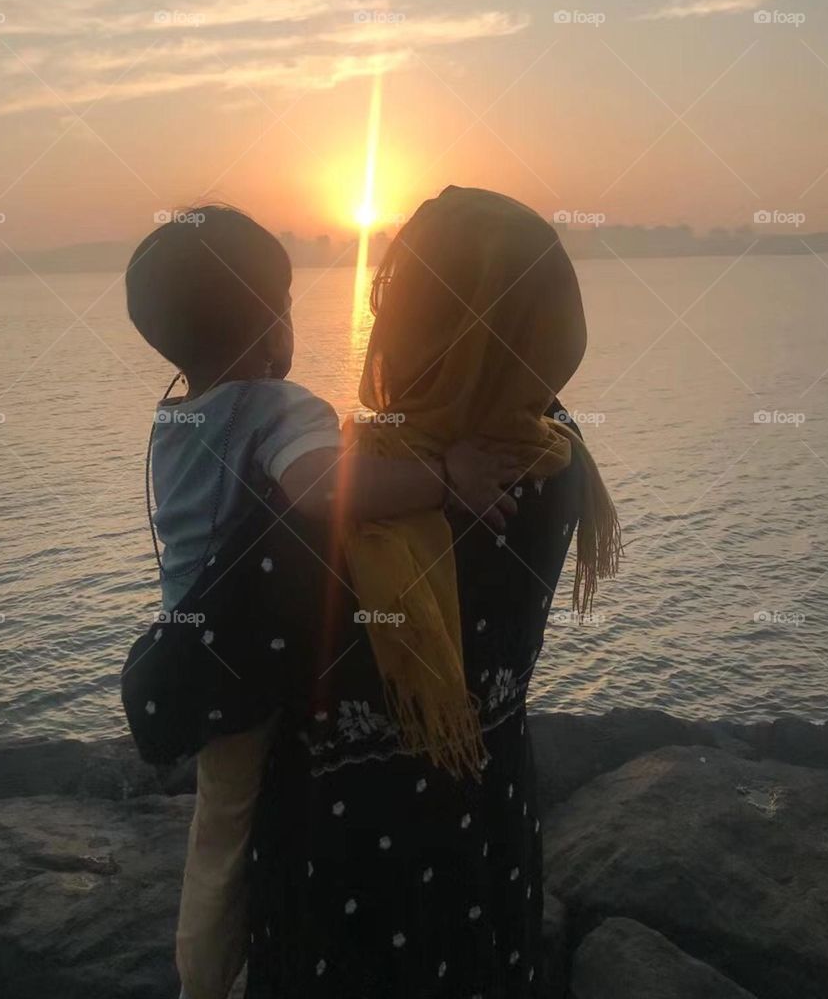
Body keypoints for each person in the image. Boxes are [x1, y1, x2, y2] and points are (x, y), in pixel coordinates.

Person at [177, 186, 621, 998]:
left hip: (342, 894)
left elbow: (177, 696)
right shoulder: (560, 459)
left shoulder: (332, 517)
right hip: (489, 859)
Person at [124, 204, 523, 999]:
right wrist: (445, 483)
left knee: (218, 833)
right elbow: (321, 491)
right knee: (238, 826)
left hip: (194, 641)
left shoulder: (175, 418)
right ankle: (211, 982)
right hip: (242, 658)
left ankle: (201, 976)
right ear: (275, 328)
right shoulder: (281, 409)